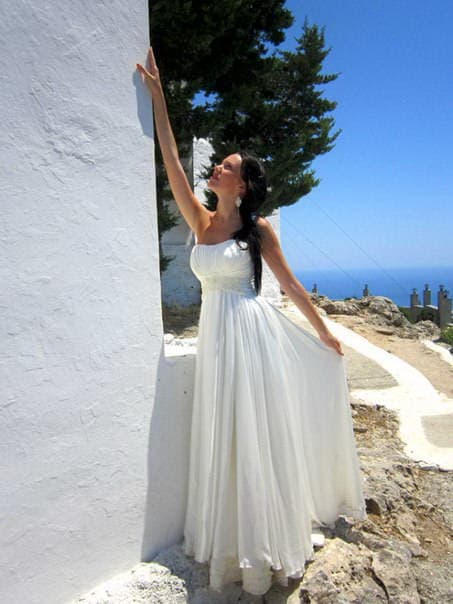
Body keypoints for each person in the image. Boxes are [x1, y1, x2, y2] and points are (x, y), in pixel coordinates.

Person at [137, 47, 367, 598]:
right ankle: (234, 539)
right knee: (224, 432)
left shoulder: (258, 231)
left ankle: (267, 543)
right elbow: (171, 162)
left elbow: (291, 286)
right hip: (217, 334)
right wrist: (159, 100)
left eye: (228, 167)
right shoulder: (200, 220)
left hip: (252, 334)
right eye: (219, 164)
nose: (217, 168)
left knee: (256, 435)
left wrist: (325, 333)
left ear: (241, 186)